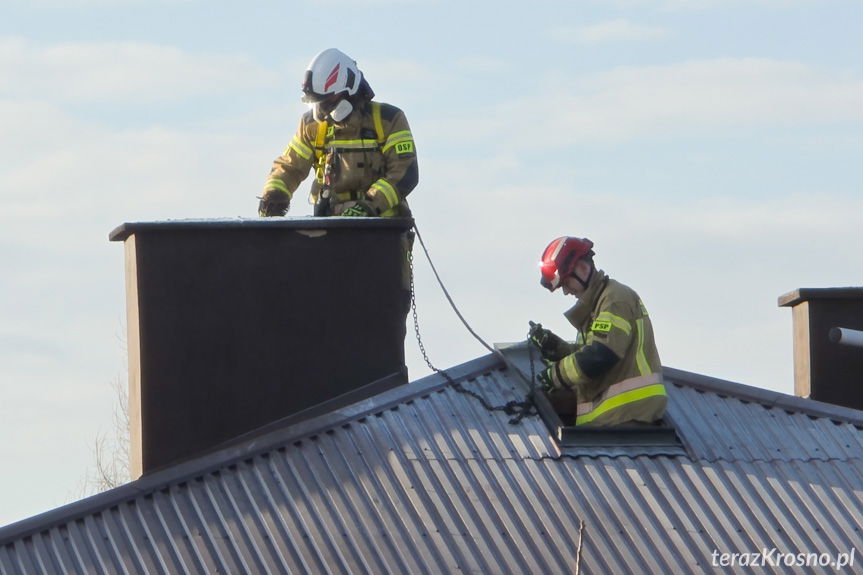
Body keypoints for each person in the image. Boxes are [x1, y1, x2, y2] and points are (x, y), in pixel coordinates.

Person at [258, 48, 419, 218]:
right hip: (331, 229)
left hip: (383, 230)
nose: (322, 109)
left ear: (348, 88)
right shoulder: (311, 125)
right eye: (318, 102)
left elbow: (404, 173)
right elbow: (289, 167)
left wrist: (368, 207)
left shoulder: (387, 119)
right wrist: (274, 195)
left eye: (329, 100)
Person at [528, 237, 667, 427]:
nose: (567, 292)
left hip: (627, 415)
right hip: (609, 421)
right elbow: (590, 353)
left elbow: (600, 356)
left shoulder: (614, 299)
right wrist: (557, 348)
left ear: (583, 269)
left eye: (567, 283)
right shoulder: (597, 306)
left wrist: (555, 375)